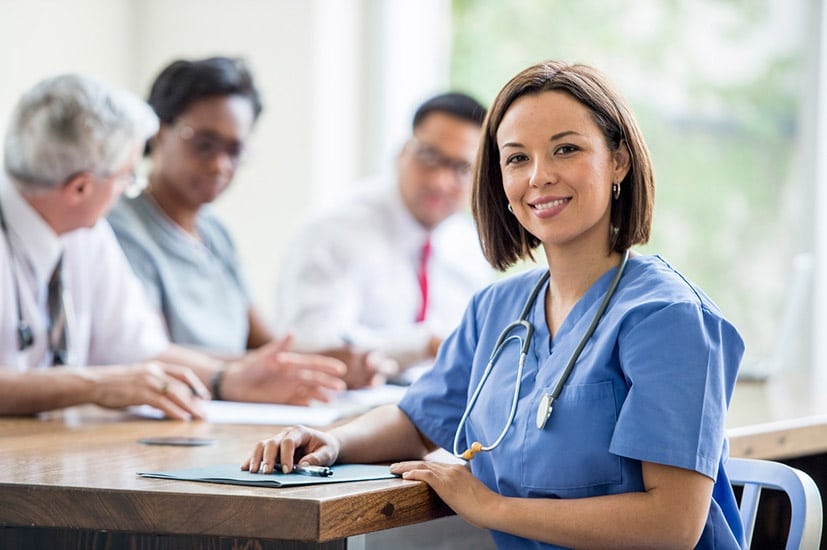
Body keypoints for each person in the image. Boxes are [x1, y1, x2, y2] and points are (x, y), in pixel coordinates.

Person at [243, 60, 746, 549]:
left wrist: (490, 507)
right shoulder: (499, 307)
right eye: (517, 158)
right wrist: (333, 440)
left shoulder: (669, 318)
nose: (539, 176)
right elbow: (418, 419)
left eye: (566, 150)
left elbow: (672, 525)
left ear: (618, 160)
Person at [0, 73, 346, 419]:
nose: (127, 188)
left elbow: (139, 349)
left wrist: (226, 379)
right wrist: (94, 385)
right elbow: (110, 375)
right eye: (126, 176)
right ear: (80, 188)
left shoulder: (88, 233)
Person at [273, 92, 494, 388]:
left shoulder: (470, 247)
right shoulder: (335, 230)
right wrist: (423, 344)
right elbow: (312, 342)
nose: (439, 181)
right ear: (402, 151)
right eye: (429, 157)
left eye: (461, 168)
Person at [107, 56, 271, 356]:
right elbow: (151, 352)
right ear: (157, 133)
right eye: (204, 144)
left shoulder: (216, 233)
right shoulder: (119, 227)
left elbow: (266, 345)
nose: (220, 165)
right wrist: (247, 373)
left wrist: (335, 361)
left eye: (234, 150)